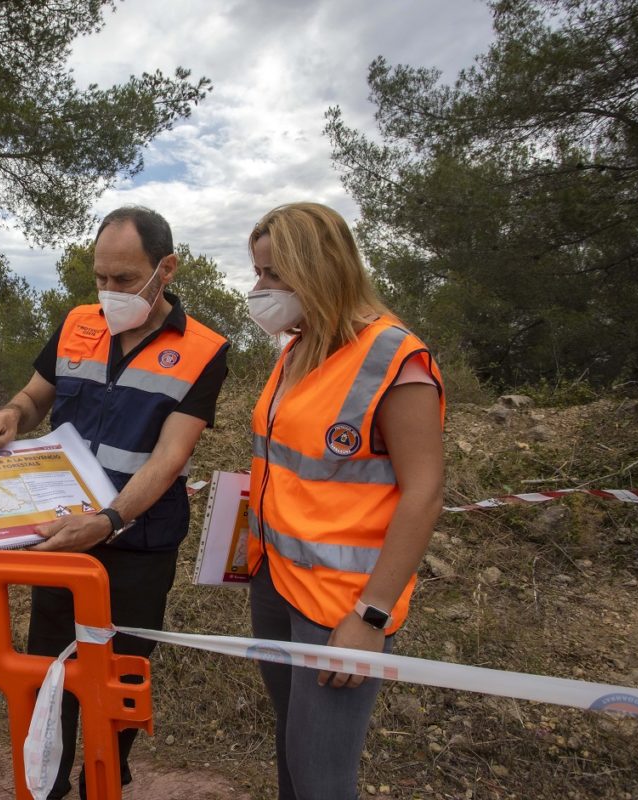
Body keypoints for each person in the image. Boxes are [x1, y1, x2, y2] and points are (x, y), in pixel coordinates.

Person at [0, 206, 230, 799]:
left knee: (120, 676)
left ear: (166, 268)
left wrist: (111, 520)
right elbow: (37, 396)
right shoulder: (75, 324)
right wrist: (10, 413)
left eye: (123, 278)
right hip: (61, 536)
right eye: (99, 278)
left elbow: (169, 459)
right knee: (51, 672)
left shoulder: (205, 350)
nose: (108, 292)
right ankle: (49, 784)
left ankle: (105, 782)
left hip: (138, 542)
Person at [243, 202, 445, 799]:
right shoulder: (299, 348)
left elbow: (425, 493)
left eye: (274, 274)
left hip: (341, 608)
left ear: (320, 267)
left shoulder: (396, 358)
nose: (260, 290)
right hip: (274, 582)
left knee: (321, 778)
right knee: (291, 755)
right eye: (258, 273)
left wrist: (371, 618)